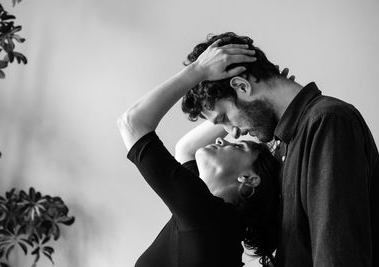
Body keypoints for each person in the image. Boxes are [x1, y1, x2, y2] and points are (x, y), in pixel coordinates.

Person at [181, 32, 379, 266]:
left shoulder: (327, 122)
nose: (232, 133)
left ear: (242, 86)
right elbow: (185, 150)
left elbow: (337, 255)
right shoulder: (284, 144)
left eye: (225, 118)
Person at [117, 41, 281, 266]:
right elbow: (186, 149)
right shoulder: (223, 227)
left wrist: (199, 69)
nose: (225, 138)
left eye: (237, 146)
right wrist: (250, 108)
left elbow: (132, 122)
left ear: (249, 179)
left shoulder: (205, 217)